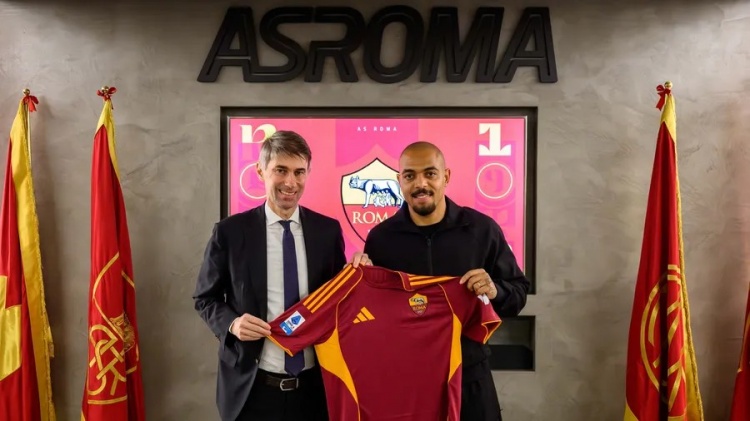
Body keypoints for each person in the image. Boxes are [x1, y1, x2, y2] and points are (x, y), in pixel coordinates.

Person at [351, 141, 530, 421]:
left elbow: (518, 294)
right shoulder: (381, 239)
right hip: (407, 381)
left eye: (430, 173)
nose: (420, 183)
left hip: (470, 376)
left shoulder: (482, 229)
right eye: (410, 175)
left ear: (446, 177)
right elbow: (370, 315)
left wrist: (495, 290)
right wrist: (358, 282)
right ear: (399, 181)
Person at [194, 130, 345, 421]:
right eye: (281, 170)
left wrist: (361, 271)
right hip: (251, 392)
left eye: (299, 172)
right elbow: (205, 298)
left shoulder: (327, 232)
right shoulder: (230, 232)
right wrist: (232, 323)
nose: (290, 182)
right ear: (261, 171)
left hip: (314, 392)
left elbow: (338, 300)